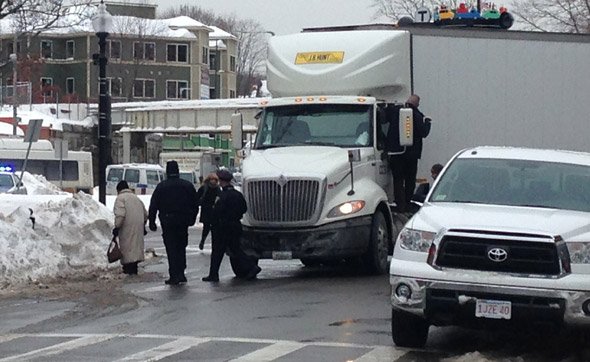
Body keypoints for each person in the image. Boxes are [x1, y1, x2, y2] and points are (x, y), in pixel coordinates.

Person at [202, 169, 261, 282]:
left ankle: (213, 274)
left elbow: (217, 211)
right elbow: (244, 208)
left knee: (217, 252)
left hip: (222, 227)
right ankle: (252, 267)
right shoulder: (238, 195)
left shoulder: (222, 196)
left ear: (222, 181)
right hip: (235, 225)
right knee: (236, 249)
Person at [148, 160, 199, 285]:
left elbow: (153, 205)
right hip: (183, 221)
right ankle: (181, 272)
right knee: (181, 247)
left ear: (167, 171)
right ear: (178, 171)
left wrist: (152, 221)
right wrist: (192, 218)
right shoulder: (187, 186)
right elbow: (195, 204)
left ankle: (174, 274)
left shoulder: (161, 187)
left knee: (171, 248)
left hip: (168, 221)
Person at [386, 94, 432, 212]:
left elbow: (383, 119)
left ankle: (399, 204)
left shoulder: (395, 111)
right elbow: (423, 133)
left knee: (398, 180)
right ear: (416, 104)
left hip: (395, 153)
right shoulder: (417, 115)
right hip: (411, 155)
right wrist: (427, 122)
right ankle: (407, 204)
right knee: (410, 180)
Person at [113, 180, 148, 275]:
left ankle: (129, 270)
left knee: (127, 250)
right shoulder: (136, 198)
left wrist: (116, 227)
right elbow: (145, 214)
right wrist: (143, 225)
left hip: (126, 229)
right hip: (138, 228)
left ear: (119, 190)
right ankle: (134, 269)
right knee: (135, 248)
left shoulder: (120, 198)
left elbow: (120, 215)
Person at [196, 173, 222, 250]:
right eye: (212, 179)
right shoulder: (204, 188)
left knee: (215, 229)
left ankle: (214, 244)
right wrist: (200, 203)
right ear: (209, 180)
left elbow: (220, 198)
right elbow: (197, 197)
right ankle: (203, 240)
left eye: (215, 180)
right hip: (206, 211)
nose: (213, 181)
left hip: (215, 211)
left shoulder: (217, 189)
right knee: (206, 228)